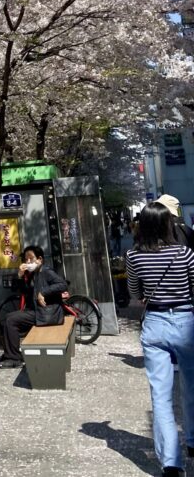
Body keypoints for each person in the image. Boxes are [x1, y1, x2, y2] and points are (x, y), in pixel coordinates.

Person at [126, 202, 194, 477]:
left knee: (161, 396)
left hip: (154, 324)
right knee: (191, 386)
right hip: (186, 322)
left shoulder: (134, 256)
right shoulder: (185, 253)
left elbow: (134, 292)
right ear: (168, 223)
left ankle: (171, 464)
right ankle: (192, 441)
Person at [0, 245, 68, 369]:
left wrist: (43, 292)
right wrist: (19, 275)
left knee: (11, 320)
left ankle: (14, 358)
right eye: (26, 259)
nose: (28, 262)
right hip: (38, 311)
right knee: (9, 317)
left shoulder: (46, 271)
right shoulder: (34, 274)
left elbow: (62, 284)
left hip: (47, 314)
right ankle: (12, 354)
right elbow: (23, 292)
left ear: (39, 259)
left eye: (31, 258)